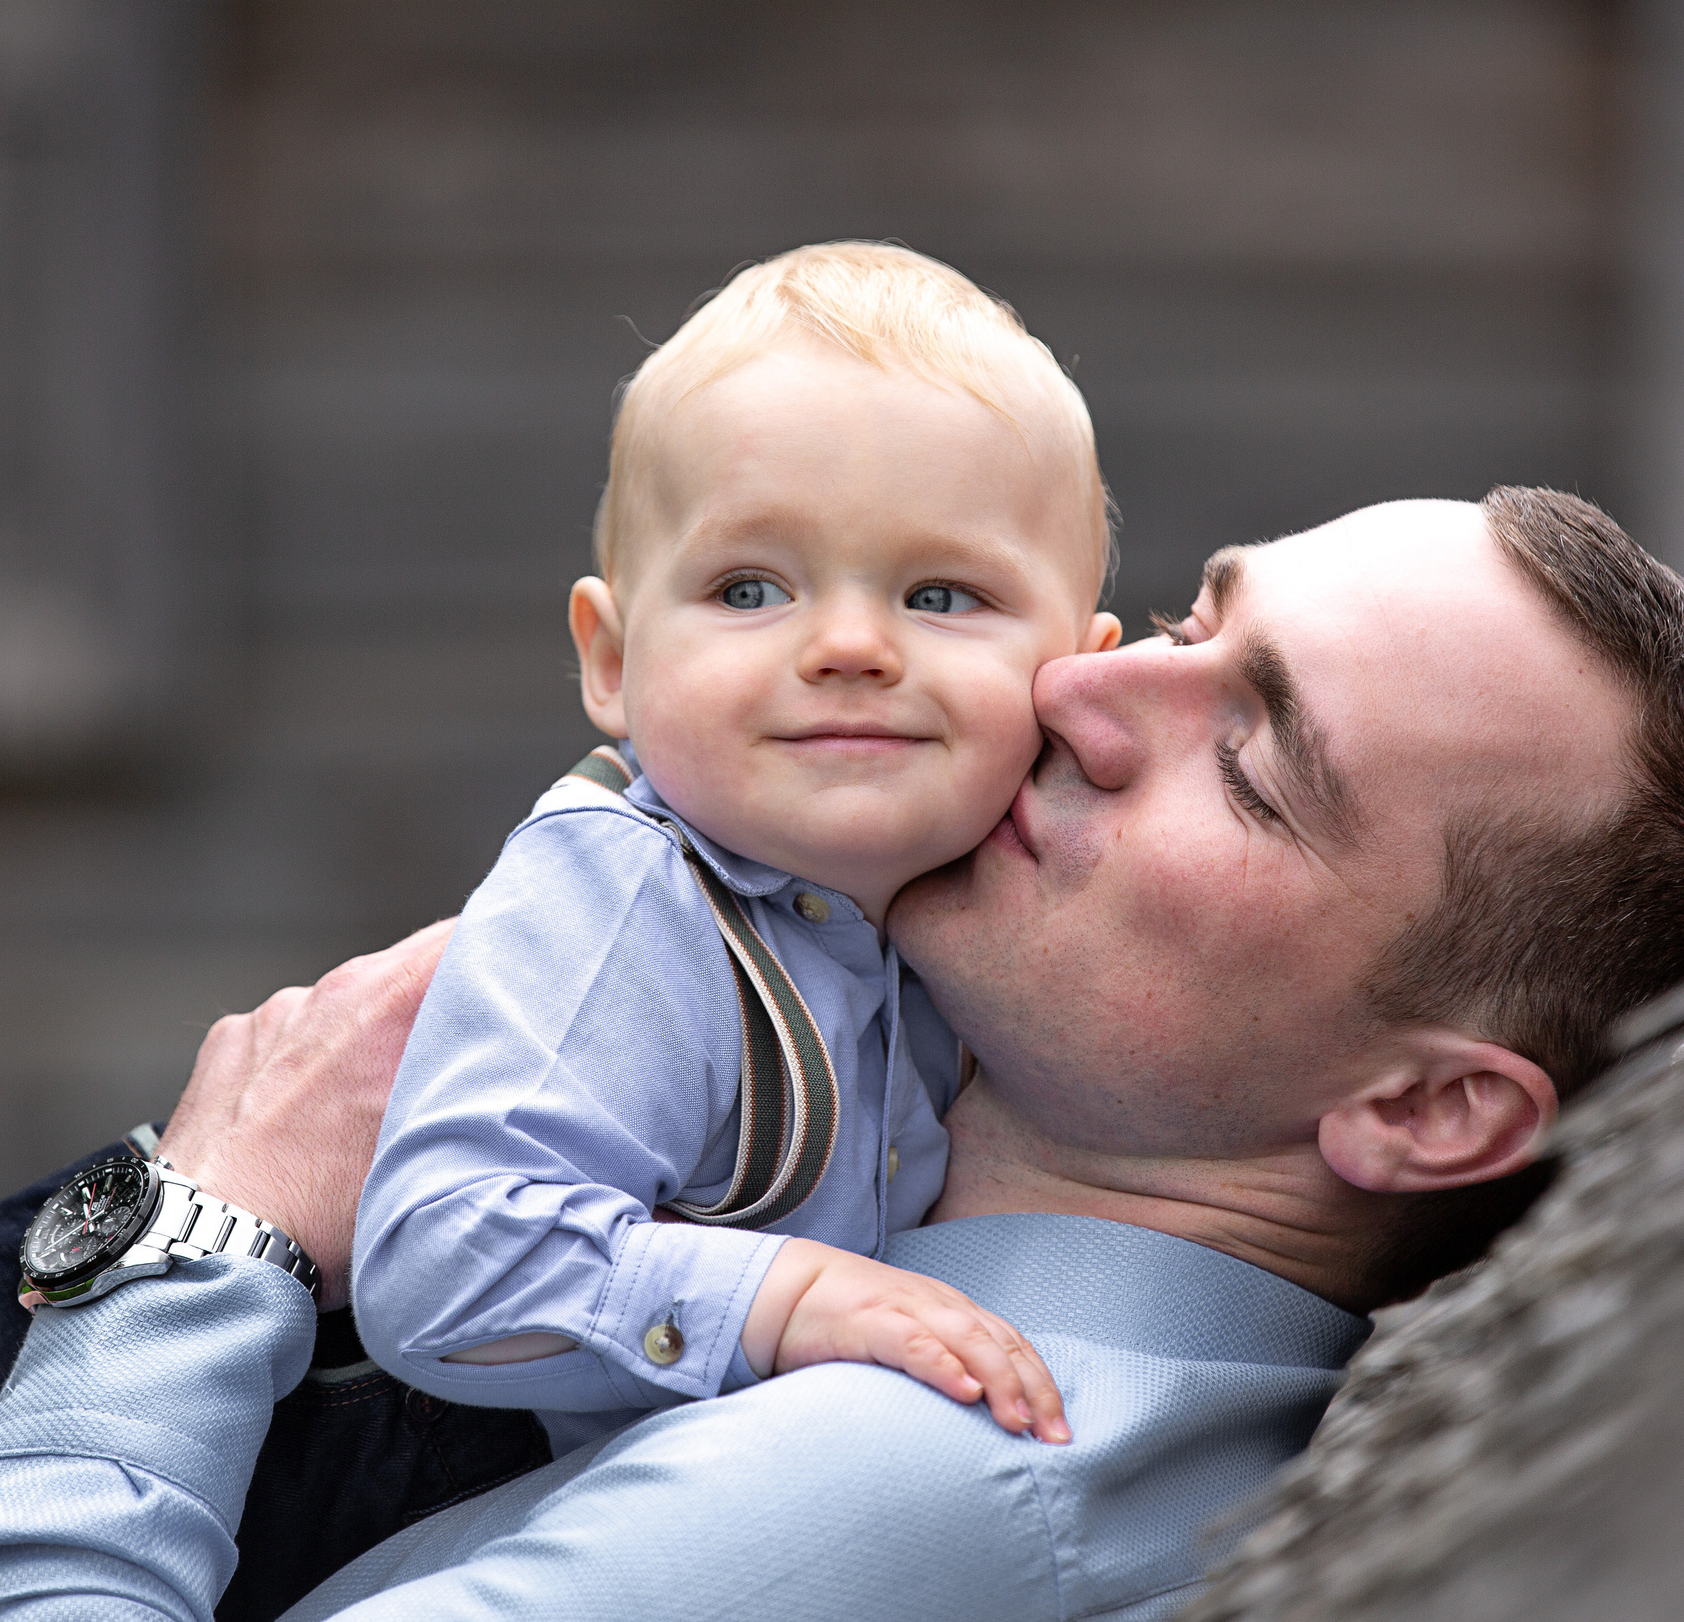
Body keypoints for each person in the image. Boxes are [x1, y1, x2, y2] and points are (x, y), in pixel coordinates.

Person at [0, 490, 1684, 1622]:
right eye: (1179, 619)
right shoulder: (801, 1137)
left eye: (1244, 759)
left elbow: (238, 1220)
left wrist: (200, 1232)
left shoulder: (935, 1484)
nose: (1073, 684)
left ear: (1424, 1107)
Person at [352, 243, 1118, 1455]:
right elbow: (444, 1261)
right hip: (389, 1488)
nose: (852, 645)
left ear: (1077, 670)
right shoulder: (625, 891)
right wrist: (791, 1299)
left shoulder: (1009, 907)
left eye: (940, 595)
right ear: (611, 659)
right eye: (752, 589)